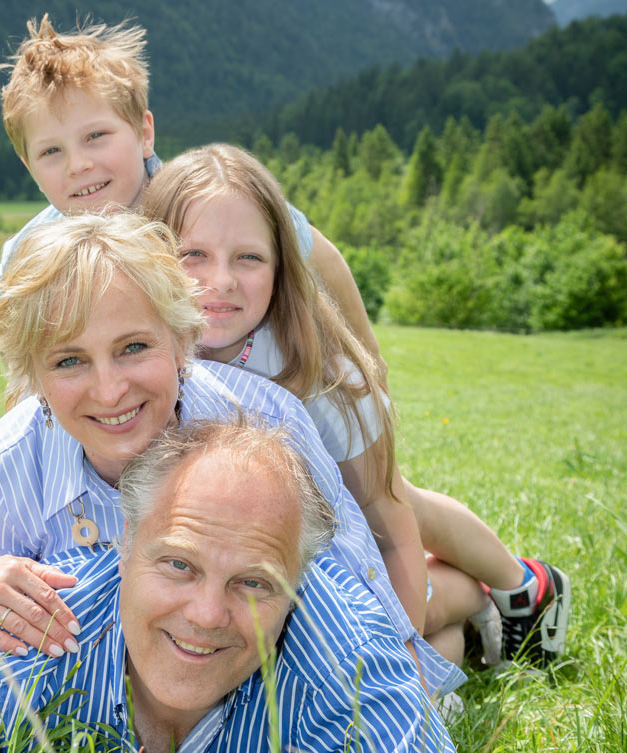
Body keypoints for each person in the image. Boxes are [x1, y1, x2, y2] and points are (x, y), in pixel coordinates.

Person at [0, 211, 464, 698]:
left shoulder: (268, 421)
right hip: (140, 683)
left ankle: (474, 601)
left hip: (258, 665)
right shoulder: (7, 462)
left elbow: (351, 581)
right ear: (34, 378)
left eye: (134, 348)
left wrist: (405, 688)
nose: (110, 389)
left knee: (434, 645)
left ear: (183, 339)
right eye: (69, 361)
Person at [141, 143, 571, 667]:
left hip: (344, 552)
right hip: (269, 556)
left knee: (394, 521)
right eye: (194, 255)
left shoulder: (319, 375)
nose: (221, 280)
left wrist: (398, 656)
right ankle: (460, 623)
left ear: (281, 264)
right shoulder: (136, 354)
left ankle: (484, 594)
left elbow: (389, 521)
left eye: (248, 257)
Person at [0, 416, 455, 752]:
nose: (207, 614)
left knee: (442, 661)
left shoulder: (349, 661)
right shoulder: (21, 639)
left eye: (254, 583)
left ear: (300, 585)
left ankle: (483, 605)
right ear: (127, 541)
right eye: (180, 565)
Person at [0, 14, 371, 363]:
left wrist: (371, 361)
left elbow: (321, 255)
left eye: (96, 136)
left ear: (144, 133)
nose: (78, 165)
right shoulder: (24, 263)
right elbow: (20, 368)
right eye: (51, 151)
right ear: (29, 167)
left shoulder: (210, 199)